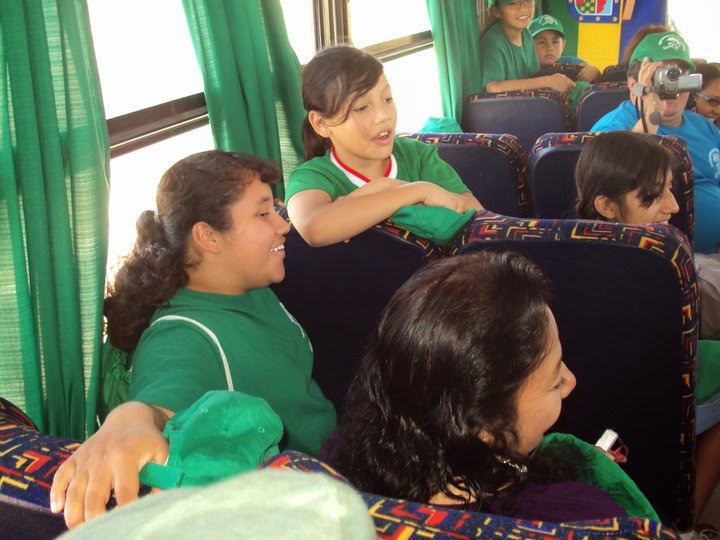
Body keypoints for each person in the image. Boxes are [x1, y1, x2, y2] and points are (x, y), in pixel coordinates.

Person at [49, 150, 336, 528]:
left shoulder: (246, 284)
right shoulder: (184, 336)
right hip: (316, 494)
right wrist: (130, 419)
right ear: (208, 236)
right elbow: (160, 397)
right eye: (263, 213)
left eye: (276, 208)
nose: (283, 225)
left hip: (334, 446)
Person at [328, 251, 656, 522]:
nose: (570, 382)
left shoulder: (340, 459)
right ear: (486, 428)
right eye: (554, 380)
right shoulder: (584, 520)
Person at [574, 131, 720, 529]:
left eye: (670, 188)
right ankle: (683, 526)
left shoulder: (559, 248)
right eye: (654, 197)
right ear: (606, 205)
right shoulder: (664, 269)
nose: (673, 206)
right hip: (648, 401)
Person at [285, 45, 483, 248]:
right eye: (361, 108)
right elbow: (314, 228)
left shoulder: (417, 155)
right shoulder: (312, 176)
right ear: (321, 124)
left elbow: (478, 213)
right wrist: (417, 190)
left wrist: (374, 192)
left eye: (388, 99)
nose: (383, 116)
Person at [590, 28, 720, 254]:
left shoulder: (703, 125)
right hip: (669, 256)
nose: (671, 85)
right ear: (633, 83)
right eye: (659, 76)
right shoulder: (611, 131)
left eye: (679, 75)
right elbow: (618, 190)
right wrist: (650, 114)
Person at [478, 0, 576, 95]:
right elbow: (493, 87)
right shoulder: (493, 42)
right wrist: (548, 81)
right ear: (496, 10)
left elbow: (532, 75)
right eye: (512, 3)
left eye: (528, 1)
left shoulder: (526, 34)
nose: (523, 8)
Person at [528, 14, 600, 83]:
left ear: (563, 45)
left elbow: (595, 77)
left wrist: (594, 72)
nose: (550, 48)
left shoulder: (572, 63)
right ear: (528, 46)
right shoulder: (525, 66)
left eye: (555, 42)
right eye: (542, 42)